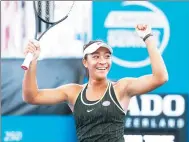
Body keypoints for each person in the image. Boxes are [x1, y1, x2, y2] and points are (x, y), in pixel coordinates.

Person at [22, 24, 168, 142]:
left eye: (107, 56)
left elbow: (160, 77)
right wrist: (33, 60)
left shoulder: (121, 88)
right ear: (85, 62)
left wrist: (148, 38)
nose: (102, 61)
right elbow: (32, 96)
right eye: (96, 56)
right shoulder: (73, 92)